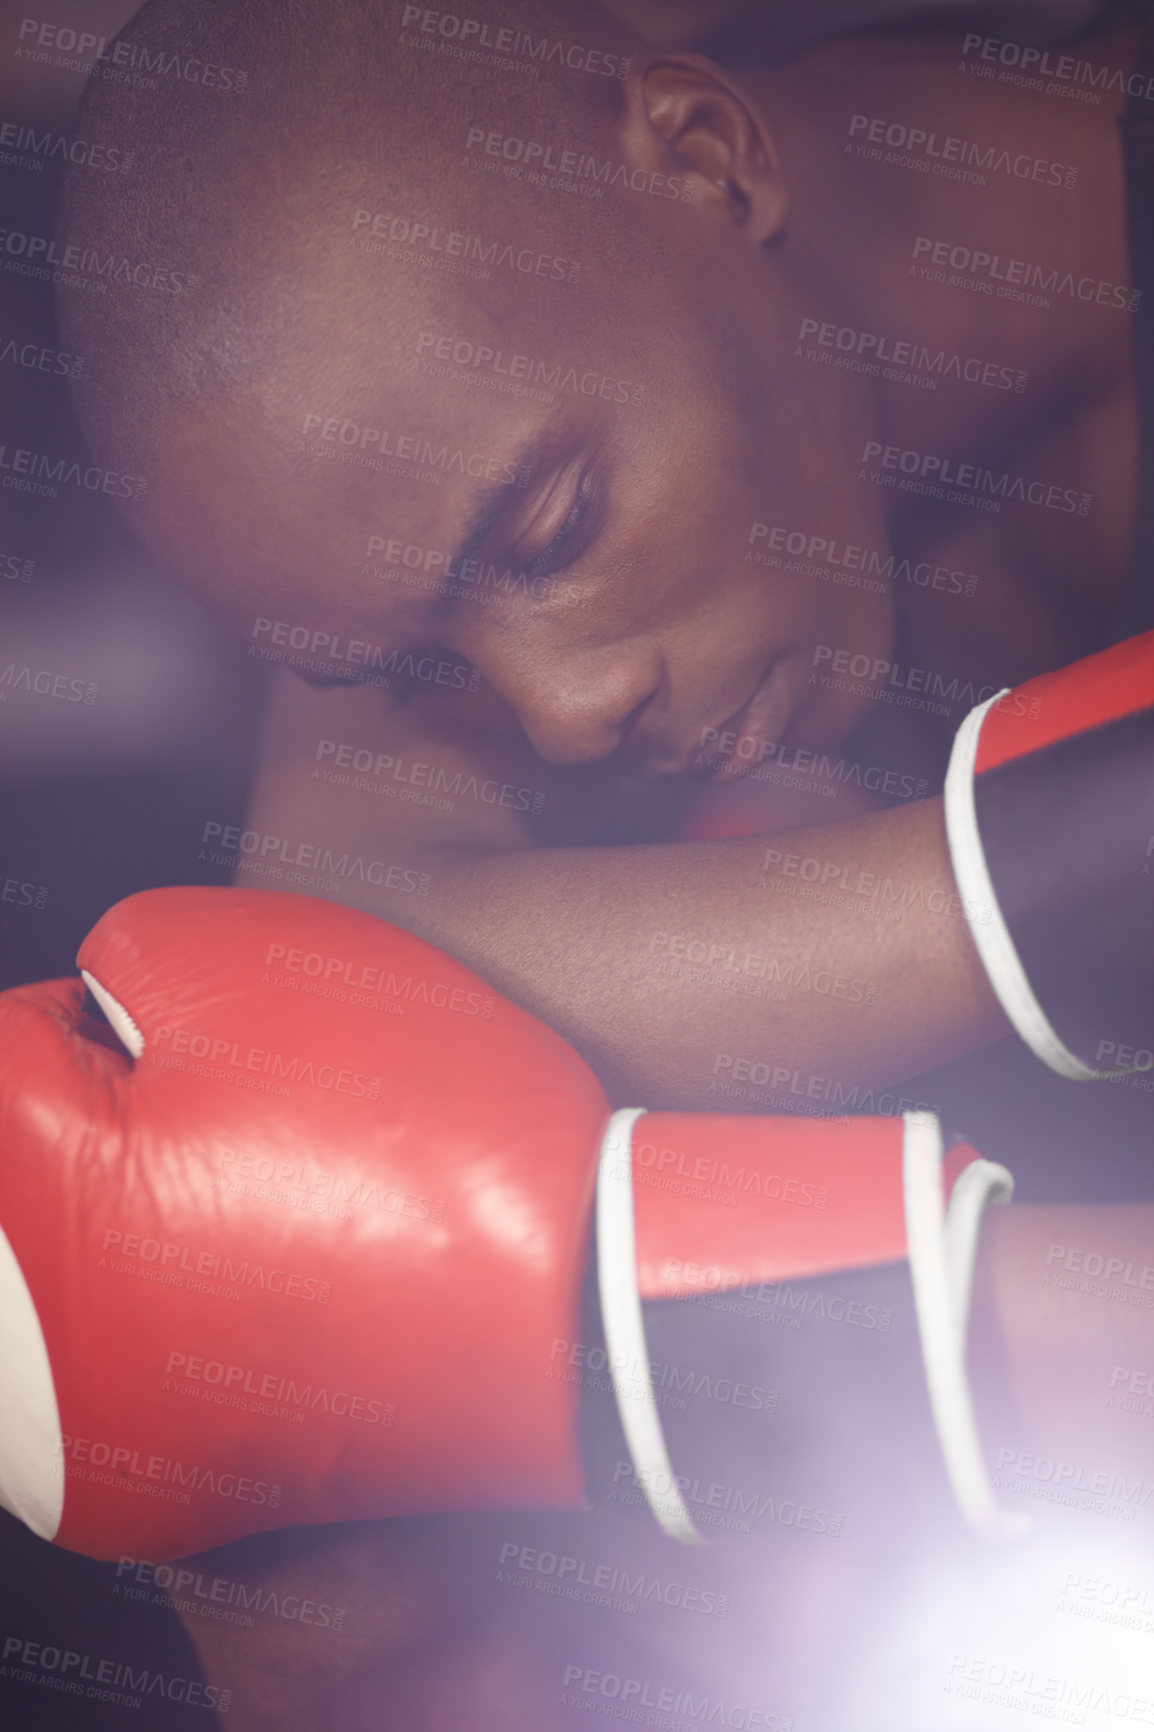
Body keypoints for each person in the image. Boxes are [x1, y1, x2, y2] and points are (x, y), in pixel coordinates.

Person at [38, 0, 1153, 1721]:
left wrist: (627, 1345)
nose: (560, 713)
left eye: (551, 532)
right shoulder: (433, 446)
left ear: (705, 157)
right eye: (417, 667)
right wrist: (1049, 883)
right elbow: (315, 959)